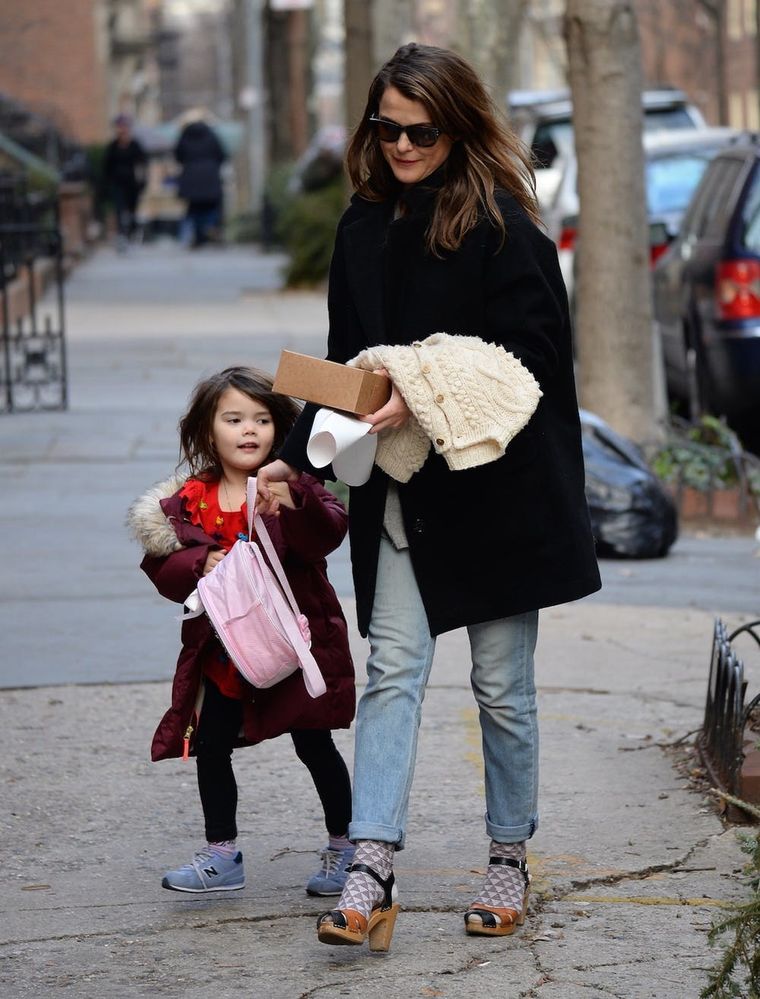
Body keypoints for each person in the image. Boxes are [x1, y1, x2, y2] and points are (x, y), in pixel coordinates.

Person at [255, 43, 601, 951]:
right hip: (401, 489)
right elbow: (343, 362)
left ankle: (507, 857)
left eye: (422, 130)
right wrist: (295, 457)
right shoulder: (363, 227)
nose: (403, 144)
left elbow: (533, 360)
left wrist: (429, 389)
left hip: (495, 494)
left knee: (501, 688)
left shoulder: (504, 228)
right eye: (388, 126)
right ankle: (371, 863)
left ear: (457, 125)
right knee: (393, 674)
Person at [127, 366, 356, 897]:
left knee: (313, 743)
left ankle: (346, 846)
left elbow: (326, 535)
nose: (248, 430)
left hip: (293, 642)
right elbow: (162, 567)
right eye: (233, 419)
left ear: (281, 430)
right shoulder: (189, 500)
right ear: (209, 432)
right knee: (211, 745)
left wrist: (294, 495)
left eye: (261, 419)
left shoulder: (289, 486)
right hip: (225, 650)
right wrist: (199, 562)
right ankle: (222, 854)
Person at [174, 114, 227, 247]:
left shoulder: (184, 136)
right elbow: (221, 155)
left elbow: (178, 156)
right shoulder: (212, 136)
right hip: (210, 176)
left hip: (191, 177)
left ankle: (199, 237)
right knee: (211, 206)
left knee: (194, 208)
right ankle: (210, 228)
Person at [102, 114, 147, 250]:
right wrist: (107, 183)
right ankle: (122, 236)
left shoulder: (135, 146)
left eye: (125, 127)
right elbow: (107, 167)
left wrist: (142, 181)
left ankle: (132, 234)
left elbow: (143, 165)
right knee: (120, 210)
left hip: (133, 184)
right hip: (117, 183)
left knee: (132, 211)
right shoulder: (113, 146)